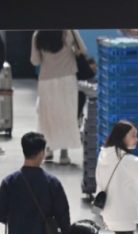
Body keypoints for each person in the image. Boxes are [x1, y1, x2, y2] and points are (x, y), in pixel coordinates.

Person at [30, 30, 84, 165]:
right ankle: (64, 153)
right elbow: (82, 50)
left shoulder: (38, 34)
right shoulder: (69, 32)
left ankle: (48, 149)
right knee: (67, 115)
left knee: (48, 116)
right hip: (67, 78)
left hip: (46, 80)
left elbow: (35, 61)